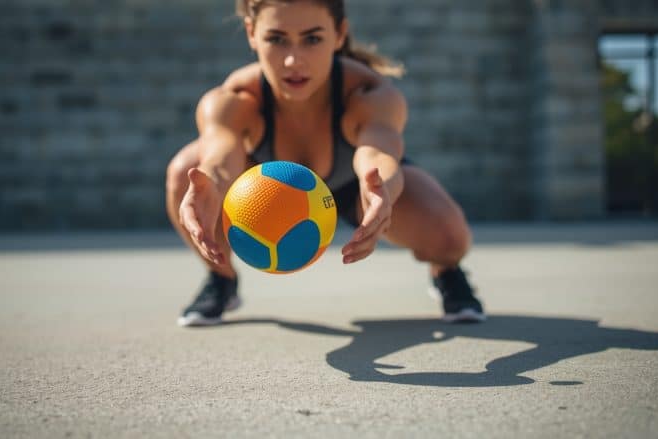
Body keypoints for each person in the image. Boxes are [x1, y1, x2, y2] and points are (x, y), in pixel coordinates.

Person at [166, 0, 485, 326]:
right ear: (251, 33)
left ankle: (446, 273)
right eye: (276, 39)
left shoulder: (370, 94)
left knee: (451, 239)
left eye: (312, 39)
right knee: (186, 172)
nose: (293, 59)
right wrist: (209, 185)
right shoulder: (234, 99)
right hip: (262, 194)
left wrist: (381, 190)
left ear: (339, 34)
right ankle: (221, 279)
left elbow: (378, 153)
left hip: (355, 187)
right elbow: (221, 156)